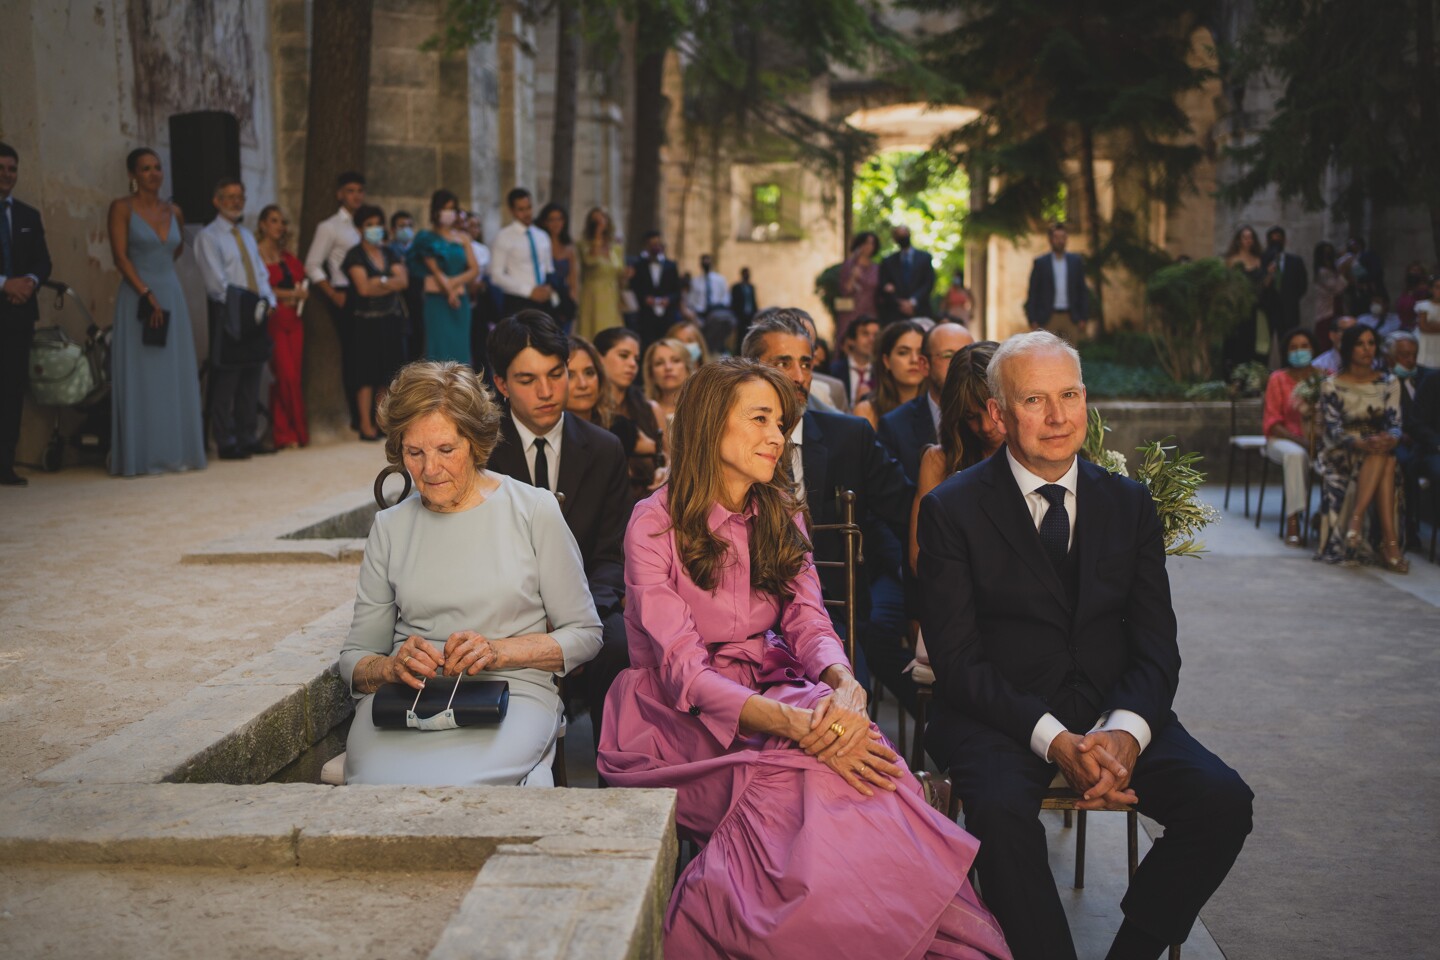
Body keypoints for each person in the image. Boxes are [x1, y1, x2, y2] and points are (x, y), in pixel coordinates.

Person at [597, 357, 1011, 960]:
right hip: (672, 723)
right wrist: (801, 726)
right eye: (761, 419)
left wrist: (843, 685)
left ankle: (897, 937)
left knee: (869, 758)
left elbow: (807, 619)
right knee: (825, 772)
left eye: (782, 421)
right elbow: (684, 673)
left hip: (774, 684)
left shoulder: (781, 511)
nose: (778, 434)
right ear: (711, 424)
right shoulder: (653, 523)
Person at [918, 330, 1254, 960]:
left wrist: (1125, 732)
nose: (1058, 416)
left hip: (1111, 709)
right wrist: (1054, 740)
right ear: (997, 413)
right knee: (1000, 819)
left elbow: (1158, 647)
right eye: (1035, 400)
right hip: (999, 719)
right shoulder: (952, 510)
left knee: (1223, 802)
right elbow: (959, 664)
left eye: (1069, 395)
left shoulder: (1128, 502)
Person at [338, 361, 602, 785]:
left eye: (446, 450)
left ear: (476, 444)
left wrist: (497, 652)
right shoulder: (390, 528)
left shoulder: (534, 511)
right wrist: (389, 669)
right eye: (414, 452)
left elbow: (586, 634)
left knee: (467, 788)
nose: (429, 470)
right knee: (376, 788)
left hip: (511, 694)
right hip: (407, 702)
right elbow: (354, 658)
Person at [742, 309, 917, 719]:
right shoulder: (730, 443)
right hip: (743, 615)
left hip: (832, 614)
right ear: (751, 371)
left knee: (844, 707)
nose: (799, 376)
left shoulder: (848, 437)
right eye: (782, 363)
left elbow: (908, 510)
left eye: (806, 363)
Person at [485, 311, 630, 751]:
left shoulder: (605, 449)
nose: (547, 392)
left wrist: (573, 618)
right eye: (527, 380)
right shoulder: (480, 452)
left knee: (623, 646)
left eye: (556, 374)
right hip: (499, 611)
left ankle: (616, 785)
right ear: (503, 385)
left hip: (587, 606)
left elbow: (611, 556)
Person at [107, 148, 206, 476]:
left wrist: (161, 285)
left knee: (174, 374)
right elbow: (120, 257)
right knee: (143, 375)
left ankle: (176, 453)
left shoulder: (173, 210)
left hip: (171, 293)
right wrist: (146, 292)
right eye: (145, 169)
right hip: (138, 296)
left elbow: (176, 249)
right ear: (133, 174)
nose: (153, 174)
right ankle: (142, 456)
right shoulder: (121, 208)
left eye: (157, 168)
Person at [195, 177, 278, 460]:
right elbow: (216, 283)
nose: (235, 201)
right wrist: (245, 305)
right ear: (216, 201)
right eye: (229, 196)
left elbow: (260, 272)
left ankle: (247, 434)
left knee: (251, 375)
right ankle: (226, 439)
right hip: (230, 313)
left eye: (239, 196)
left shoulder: (245, 235)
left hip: (256, 311)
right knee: (227, 378)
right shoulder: (209, 236)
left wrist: (268, 301)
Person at [1314, 324, 1407, 571]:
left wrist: (1390, 438)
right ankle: (1391, 546)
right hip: (1342, 449)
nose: (1367, 349)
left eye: (1371, 343)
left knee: (1384, 456)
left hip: (1378, 445)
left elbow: (1395, 424)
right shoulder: (1331, 384)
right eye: (1360, 344)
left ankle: (1356, 522)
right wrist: (1360, 442)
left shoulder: (1389, 381)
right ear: (1348, 348)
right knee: (1384, 459)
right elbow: (1332, 429)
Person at [908, 341, 1003, 573]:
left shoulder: (1036, 455)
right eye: (971, 416)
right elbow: (918, 559)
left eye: (995, 411)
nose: (986, 427)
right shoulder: (938, 461)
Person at [0, 142, 52, 486]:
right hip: (6, 295)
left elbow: (43, 262)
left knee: (11, 390)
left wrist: (29, 282)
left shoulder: (28, 216)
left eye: (12, 169)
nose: (7, 175)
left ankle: (4, 465)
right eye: (1, 168)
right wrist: (4, 283)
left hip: (18, 317)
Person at [304, 171, 366, 429]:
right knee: (354, 355)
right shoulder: (329, 226)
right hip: (346, 292)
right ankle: (356, 416)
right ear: (340, 194)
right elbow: (312, 264)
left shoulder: (365, 223)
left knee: (369, 353)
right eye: (350, 191)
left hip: (369, 292)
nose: (356, 196)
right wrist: (332, 293)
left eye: (359, 191)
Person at [342, 205, 409, 442]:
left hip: (390, 320)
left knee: (386, 376)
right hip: (365, 323)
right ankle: (365, 424)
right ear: (360, 228)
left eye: (378, 223)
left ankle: (382, 423)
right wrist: (387, 281)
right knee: (365, 376)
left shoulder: (390, 252)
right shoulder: (355, 255)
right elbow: (363, 287)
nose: (375, 229)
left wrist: (378, 281)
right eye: (369, 224)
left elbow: (403, 282)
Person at [879, 322, 974, 483]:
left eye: (968, 354)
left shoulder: (991, 420)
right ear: (924, 365)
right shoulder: (895, 426)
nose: (961, 364)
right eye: (948, 355)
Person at [254, 204, 309, 448]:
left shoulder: (287, 257)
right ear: (263, 224)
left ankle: (285, 433)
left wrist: (297, 295)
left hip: (294, 321)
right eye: (274, 221)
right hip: (274, 320)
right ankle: (292, 431)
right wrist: (290, 293)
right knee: (284, 375)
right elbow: (262, 289)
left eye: (282, 221)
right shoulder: (255, 254)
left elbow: (301, 283)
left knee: (292, 377)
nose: (279, 226)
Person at [1263, 328, 1321, 546]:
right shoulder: (1278, 379)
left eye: (1304, 346)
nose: (1300, 351)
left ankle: (1326, 518)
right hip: (1284, 440)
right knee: (1296, 456)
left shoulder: (1324, 377)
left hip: (1318, 440)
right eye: (1294, 347)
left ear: (1313, 348)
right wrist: (1303, 442)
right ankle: (1293, 520)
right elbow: (1272, 423)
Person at [409, 189, 477, 367]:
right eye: (445, 208)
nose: (449, 213)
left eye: (452, 208)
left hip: (460, 300)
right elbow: (435, 270)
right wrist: (449, 292)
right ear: (436, 211)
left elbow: (474, 269)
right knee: (438, 351)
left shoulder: (463, 238)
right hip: (437, 301)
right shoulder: (426, 238)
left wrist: (454, 284)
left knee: (460, 350)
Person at [595, 326, 662, 498]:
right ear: (598, 358)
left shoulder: (650, 408)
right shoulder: (586, 410)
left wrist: (665, 469)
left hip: (648, 502)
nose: (632, 364)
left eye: (636, 359)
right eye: (624, 356)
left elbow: (669, 460)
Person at [1384, 331, 1432, 544]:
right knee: (1404, 461)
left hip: (1424, 439)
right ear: (1390, 357)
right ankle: (1405, 524)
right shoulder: (1381, 379)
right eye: (1404, 355)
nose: (1410, 360)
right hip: (1395, 438)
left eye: (1413, 355)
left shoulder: (1426, 377)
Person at [491, 187, 554, 320]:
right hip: (518, 301)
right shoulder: (503, 236)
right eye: (521, 209)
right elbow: (496, 275)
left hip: (543, 301)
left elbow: (548, 269)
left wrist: (548, 289)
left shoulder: (542, 235)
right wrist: (529, 291)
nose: (527, 213)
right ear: (512, 211)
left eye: (529, 207)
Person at [853, 319, 927, 430]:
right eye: (903, 352)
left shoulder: (939, 409)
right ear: (887, 361)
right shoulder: (866, 412)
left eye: (921, 353)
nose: (914, 360)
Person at [1024, 222, 1089, 342]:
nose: (1060, 241)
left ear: (1066, 239)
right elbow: (1033, 292)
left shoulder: (1075, 261)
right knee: (1046, 354)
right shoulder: (1040, 263)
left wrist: (1083, 317)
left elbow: (1082, 290)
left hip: (1071, 317)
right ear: (1050, 239)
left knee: (1071, 356)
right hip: (1048, 318)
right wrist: (1032, 319)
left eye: (1063, 237)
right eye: (1057, 237)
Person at [576, 207, 626, 339]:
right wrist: (597, 236)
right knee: (592, 330)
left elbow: (619, 271)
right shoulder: (584, 245)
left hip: (612, 295)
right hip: (593, 294)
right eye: (596, 221)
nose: (600, 223)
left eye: (602, 219)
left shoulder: (616, 248)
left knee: (612, 333)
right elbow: (590, 261)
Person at [629, 230, 682, 347]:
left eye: (657, 243)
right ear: (647, 246)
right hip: (646, 316)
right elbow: (635, 289)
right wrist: (645, 299)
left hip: (667, 315)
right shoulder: (639, 266)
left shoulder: (671, 266)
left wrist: (668, 299)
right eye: (652, 244)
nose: (655, 247)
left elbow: (677, 291)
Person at [1260, 226, 1308, 350]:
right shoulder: (1261, 261)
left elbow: (1302, 286)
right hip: (1266, 311)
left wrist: (1289, 299)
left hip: (1289, 312)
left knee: (1288, 346)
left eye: (1279, 239)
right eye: (1273, 240)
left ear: (1285, 241)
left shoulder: (1296, 261)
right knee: (1263, 347)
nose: (1276, 242)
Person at [878, 225, 936, 326]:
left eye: (904, 234)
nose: (902, 237)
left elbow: (928, 283)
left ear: (909, 234)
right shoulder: (888, 261)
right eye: (898, 235)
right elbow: (884, 286)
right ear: (895, 239)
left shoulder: (924, 258)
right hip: (895, 314)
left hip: (920, 311)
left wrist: (913, 302)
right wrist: (900, 303)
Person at [835, 231, 880, 347]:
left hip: (870, 310)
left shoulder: (876, 268)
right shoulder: (849, 265)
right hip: (851, 311)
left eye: (872, 244)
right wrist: (853, 277)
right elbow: (844, 290)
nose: (869, 247)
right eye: (866, 243)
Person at [537, 203, 577, 329]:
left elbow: (573, 279)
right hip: (543, 298)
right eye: (552, 219)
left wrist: (572, 302)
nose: (556, 223)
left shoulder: (569, 248)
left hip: (563, 300)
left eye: (559, 219)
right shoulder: (539, 244)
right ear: (544, 222)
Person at [643, 336, 694, 424]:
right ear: (651, 374)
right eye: (659, 363)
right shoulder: (642, 412)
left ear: (688, 368)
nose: (668, 367)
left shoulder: (703, 408)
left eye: (675, 360)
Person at [832, 314, 879, 407]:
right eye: (865, 334)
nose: (872, 339)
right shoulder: (833, 370)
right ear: (851, 340)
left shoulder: (881, 372)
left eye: (876, 335)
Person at [1311, 240, 1348, 345]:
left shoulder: (1332, 270)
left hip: (1336, 308)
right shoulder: (1322, 272)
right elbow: (1337, 288)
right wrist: (1343, 272)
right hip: (1326, 312)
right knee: (1325, 340)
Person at [685, 253, 730, 320]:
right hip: (700, 313)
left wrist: (719, 307)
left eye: (708, 262)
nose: (706, 264)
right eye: (704, 262)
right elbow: (691, 299)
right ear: (701, 264)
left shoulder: (720, 280)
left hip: (716, 313)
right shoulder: (695, 281)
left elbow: (726, 297)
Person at [1412, 276, 1440, 370]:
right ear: (1431, 289)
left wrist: (1431, 325)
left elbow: (1428, 326)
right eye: (1437, 287)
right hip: (1425, 344)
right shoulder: (1423, 305)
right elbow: (1423, 326)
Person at [730, 266, 757, 347]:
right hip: (740, 316)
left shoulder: (751, 287)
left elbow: (753, 301)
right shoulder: (736, 287)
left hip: (750, 315)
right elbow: (734, 302)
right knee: (740, 335)